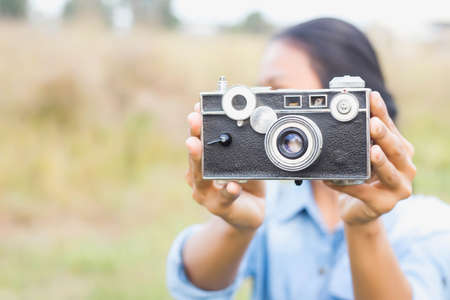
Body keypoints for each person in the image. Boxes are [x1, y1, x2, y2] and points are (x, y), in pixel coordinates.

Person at [166, 18, 450, 300]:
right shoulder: (268, 202)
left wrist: (364, 225)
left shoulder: (427, 225)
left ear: (349, 102)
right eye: (259, 98)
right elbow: (191, 289)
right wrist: (237, 226)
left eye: (279, 94)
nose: (263, 115)